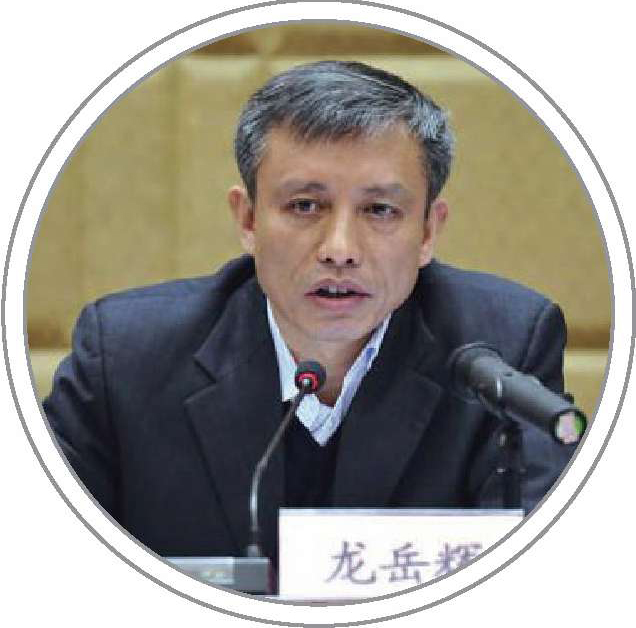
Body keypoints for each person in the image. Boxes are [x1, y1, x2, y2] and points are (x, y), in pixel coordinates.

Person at [43, 61, 575, 566]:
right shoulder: (126, 359)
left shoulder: (503, 349)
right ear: (248, 219)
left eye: (380, 210)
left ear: (428, 231)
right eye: (305, 206)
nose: (340, 249)